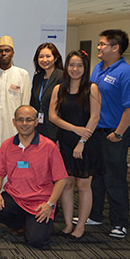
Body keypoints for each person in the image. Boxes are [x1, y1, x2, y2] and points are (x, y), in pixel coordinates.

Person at [0, 105, 68, 249]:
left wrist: (51, 204)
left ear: (36, 122)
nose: (24, 124)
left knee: (36, 241)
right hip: (15, 197)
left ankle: (37, 223)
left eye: (29, 120)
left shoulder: (49, 146)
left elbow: (62, 179)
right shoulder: (7, 145)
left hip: (40, 201)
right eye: (20, 120)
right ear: (14, 122)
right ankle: (23, 223)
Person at [89, 29, 130, 239]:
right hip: (96, 132)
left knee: (115, 180)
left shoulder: (127, 74)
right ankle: (95, 215)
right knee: (96, 178)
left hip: (114, 134)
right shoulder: (98, 68)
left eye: (103, 44)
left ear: (115, 47)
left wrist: (119, 134)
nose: (99, 47)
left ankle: (120, 222)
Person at [49, 50, 101, 239]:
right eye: (72, 65)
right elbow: (52, 116)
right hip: (65, 140)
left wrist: (81, 140)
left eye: (79, 65)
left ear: (85, 68)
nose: (75, 69)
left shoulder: (91, 89)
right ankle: (68, 225)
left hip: (86, 142)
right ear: (66, 67)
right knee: (67, 183)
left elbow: (95, 117)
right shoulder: (58, 89)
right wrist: (74, 129)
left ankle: (80, 227)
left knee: (83, 185)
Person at [0, 36, 31, 146]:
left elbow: (25, 104)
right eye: (0, 51)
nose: (4, 54)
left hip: (14, 128)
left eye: (7, 50)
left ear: (13, 53)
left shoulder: (23, 75)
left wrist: (24, 127)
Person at [30, 43, 63, 141]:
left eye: (48, 56)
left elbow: (64, 108)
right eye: (41, 57)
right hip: (39, 127)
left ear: (55, 58)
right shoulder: (37, 77)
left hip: (55, 129)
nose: (44, 60)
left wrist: (59, 136)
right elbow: (33, 103)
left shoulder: (62, 77)